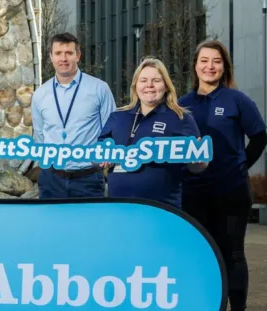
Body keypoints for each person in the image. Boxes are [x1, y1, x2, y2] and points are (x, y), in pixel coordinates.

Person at [179, 40, 267, 311]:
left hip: (230, 192)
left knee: (232, 254)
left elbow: (259, 137)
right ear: (195, 66)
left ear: (224, 66)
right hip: (193, 195)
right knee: (202, 257)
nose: (210, 66)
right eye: (204, 61)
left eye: (216, 61)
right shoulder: (182, 103)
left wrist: (241, 166)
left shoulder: (236, 100)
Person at [98, 57, 206, 208]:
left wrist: (199, 162)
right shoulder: (117, 116)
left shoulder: (181, 118)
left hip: (162, 208)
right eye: (143, 80)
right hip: (119, 206)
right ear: (136, 86)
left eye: (156, 80)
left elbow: (196, 168)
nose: (149, 85)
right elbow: (97, 153)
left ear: (166, 86)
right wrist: (102, 157)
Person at [31, 32, 116, 199]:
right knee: (50, 225)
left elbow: (111, 129)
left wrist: (107, 156)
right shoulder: (40, 94)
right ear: (51, 56)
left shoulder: (99, 89)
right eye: (58, 53)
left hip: (88, 179)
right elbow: (40, 135)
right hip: (51, 179)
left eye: (69, 53)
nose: (64, 58)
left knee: (88, 225)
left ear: (78, 55)